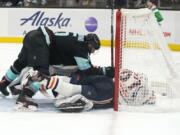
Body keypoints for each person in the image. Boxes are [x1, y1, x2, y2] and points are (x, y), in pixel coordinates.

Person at [0, 26, 114, 97]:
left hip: (33, 36)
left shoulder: (79, 40)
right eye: (93, 48)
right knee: (43, 73)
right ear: (89, 43)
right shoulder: (81, 48)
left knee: (19, 64)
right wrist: (105, 71)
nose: (93, 51)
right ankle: (24, 97)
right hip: (40, 41)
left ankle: (3, 83)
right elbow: (87, 70)